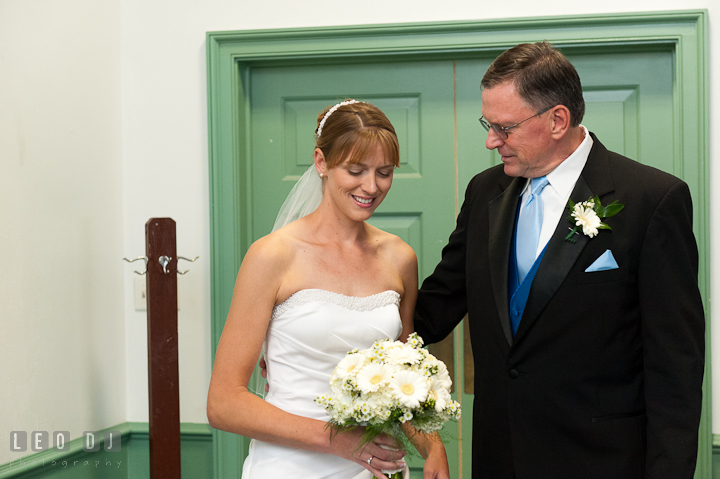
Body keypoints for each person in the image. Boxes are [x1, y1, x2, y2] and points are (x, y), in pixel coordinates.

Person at [414, 41, 705, 479]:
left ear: (557, 120)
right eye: (487, 124)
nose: (491, 141)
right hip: (499, 458)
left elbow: (674, 368)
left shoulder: (651, 200)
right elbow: (434, 309)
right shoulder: (483, 193)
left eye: (504, 127)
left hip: (602, 462)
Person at [207, 100, 450, 479]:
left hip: (376, 469)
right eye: (356, 170)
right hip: (290, 467)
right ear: (321, 162)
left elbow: (404, 380)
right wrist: (336, 440)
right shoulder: (272, 256)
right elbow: (223, 403)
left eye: (384, 173)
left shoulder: (400, 258)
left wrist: (432, 448)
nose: (371, 187)